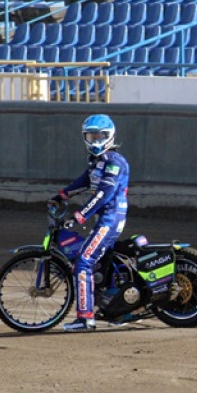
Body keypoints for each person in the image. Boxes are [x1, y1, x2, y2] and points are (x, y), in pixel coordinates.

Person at [49, 114, 130, 332]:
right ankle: (119, 309)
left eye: (100, 136)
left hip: (110, 218)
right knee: (102, 262)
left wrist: (80, 215)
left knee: (84, 261)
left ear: (110, 136)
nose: (95, 141)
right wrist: (62, 195)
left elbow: (104, 193)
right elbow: (85, 180)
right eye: (91, 136)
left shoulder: (114, 161)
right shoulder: (97, 161)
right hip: (105, 217)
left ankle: (85, 318)